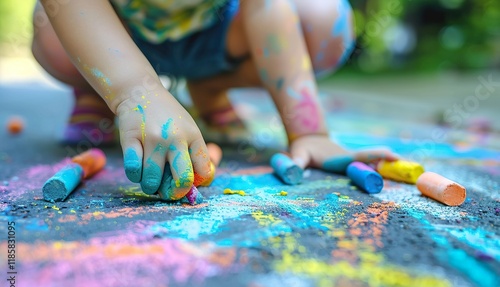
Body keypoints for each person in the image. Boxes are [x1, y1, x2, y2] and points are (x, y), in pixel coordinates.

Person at [32, 0, 398, 200]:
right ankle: (98, 91)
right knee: (51, 25)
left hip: (221, 31)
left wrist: (309, 130)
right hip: (116, 33)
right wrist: (133, 93)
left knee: (324, 18)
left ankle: (210, 86)